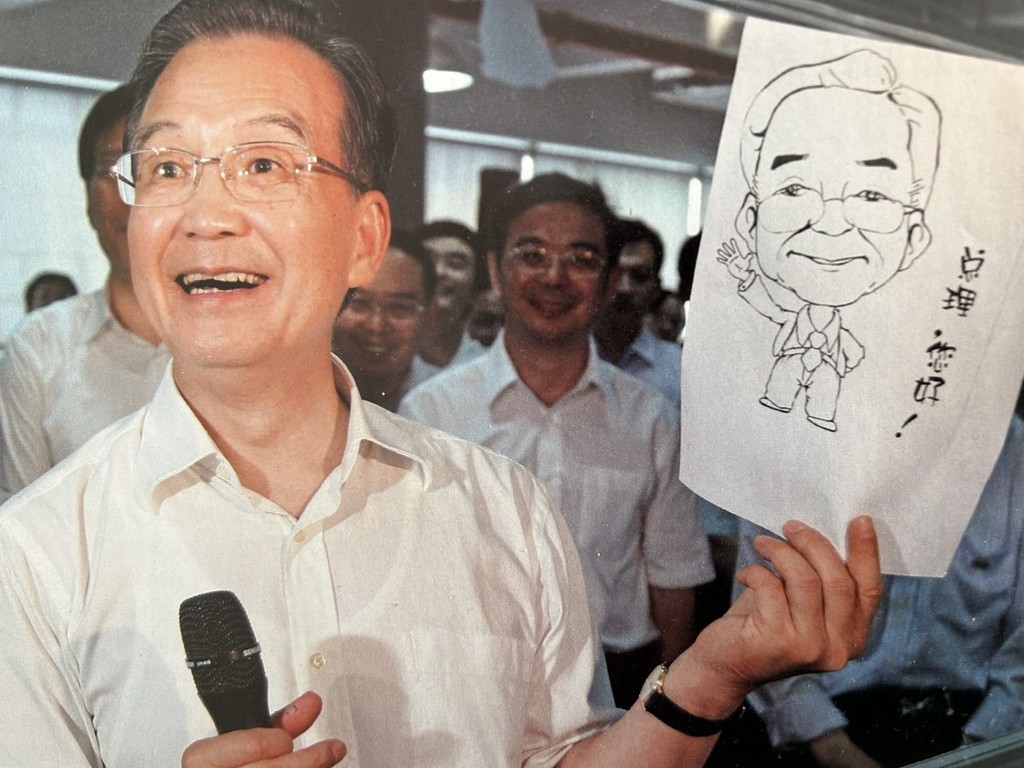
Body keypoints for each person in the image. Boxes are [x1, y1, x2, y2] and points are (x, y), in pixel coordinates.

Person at [0, 2, 883, 767]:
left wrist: (713, 675)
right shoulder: (36, 557)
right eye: (165, 167)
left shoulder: (502, 509)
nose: (205, 213)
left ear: (364, 237)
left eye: (264, 164)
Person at [402, 174, 711, 707]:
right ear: (496, 271)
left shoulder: (653, 421)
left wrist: (659, 713)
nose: (554, 277)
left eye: (581, 259)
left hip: (617, 684)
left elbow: (675, 579)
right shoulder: (431, 413)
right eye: (532, 255)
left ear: (609, 281)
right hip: (470, 683)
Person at [725, 414, 1024, 768]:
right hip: (819, 729)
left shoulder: (1015, 453)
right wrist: (834, 749)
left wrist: (976, 753)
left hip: (970, 729)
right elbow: (763, 628)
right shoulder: (797, 441)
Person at [716, 50, 940, 433]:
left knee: (824, 394)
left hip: (828, 372)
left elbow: (854, 351)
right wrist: (744, 275)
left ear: (913, 237)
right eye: (794, 189)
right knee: (781, 387)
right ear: (750, 220)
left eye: (871, 195)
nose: (830, 225)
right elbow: (765, 304)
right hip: (788, 365)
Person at [0, 85, 168, 502]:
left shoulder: (237, 334)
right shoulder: (39, 349)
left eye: (156, 168)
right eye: (113, 170)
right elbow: (21, 522)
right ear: (87, 200)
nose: (132, 193)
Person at [331, 230, 440, 411]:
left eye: (399, 307)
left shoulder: (445, 402)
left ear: (430, 314)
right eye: (359, 303)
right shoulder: (298, 389)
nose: (376, 325)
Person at [593, 217, 683, 408]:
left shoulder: (678, 368)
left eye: (639, 276)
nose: (624, 288)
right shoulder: (562, 358)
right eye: (614, 275)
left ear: (656, 288)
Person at [416, 220, 489, 367]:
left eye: (455, 264)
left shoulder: (486, 360)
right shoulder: (385, 354)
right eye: (429, 260)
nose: (439, 271)